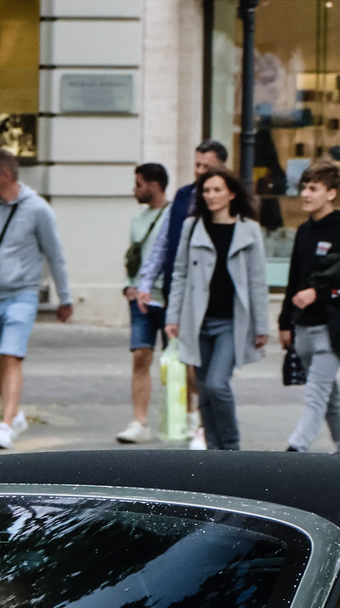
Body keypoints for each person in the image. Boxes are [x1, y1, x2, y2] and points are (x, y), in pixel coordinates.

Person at [0, 149, 73, 449]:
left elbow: (55, 255)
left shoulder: (38, 209)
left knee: (11, 356)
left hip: (22, 294)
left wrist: (65, 297)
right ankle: (16, 413)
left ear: (6, 175)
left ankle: (7, 422)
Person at [162, 168, 271, 451]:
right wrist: (172, 317)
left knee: (217, 384)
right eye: (206, 191)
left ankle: (232, 446)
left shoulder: (248, 229)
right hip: (197, 321)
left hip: (232, 322)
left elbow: (258, 280)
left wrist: (262, 326)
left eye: (217, 190)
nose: (211, 196)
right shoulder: (192, 227)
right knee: (204, 391)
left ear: (231, 193)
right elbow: (180, 274)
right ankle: (213, 449)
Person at [133, 140, 230, 446]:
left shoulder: (230, 200)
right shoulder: (184, 196)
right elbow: (163, 245)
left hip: (210, 297)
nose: (200, 172)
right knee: (184, 360)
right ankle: (193, 421)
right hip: (178, 290)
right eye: (197, 165)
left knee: (203, 368)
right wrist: (145, 283)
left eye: (207, 166)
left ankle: (203, 424)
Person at [277, 161, 340, 454]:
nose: (306, 194)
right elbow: (293, 280)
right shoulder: (304, 231)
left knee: (316, 394)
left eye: (313, 188)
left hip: (331, 330)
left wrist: (319, 294)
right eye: (304, 187)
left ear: (331, 193)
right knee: (330, 397)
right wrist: (284, 323)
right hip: (303, 327)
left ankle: (296, 446)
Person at [117, 163, 171, 443]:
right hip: (140, 298)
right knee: (141, 355)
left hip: (169, 296)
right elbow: (133, 257)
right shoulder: (137, 220)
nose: (134, 189)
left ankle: (191, 415)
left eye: (139, 184)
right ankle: (140, 421)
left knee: (180, 361)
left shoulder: (175, 215)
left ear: (154, 185)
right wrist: (129, 285)